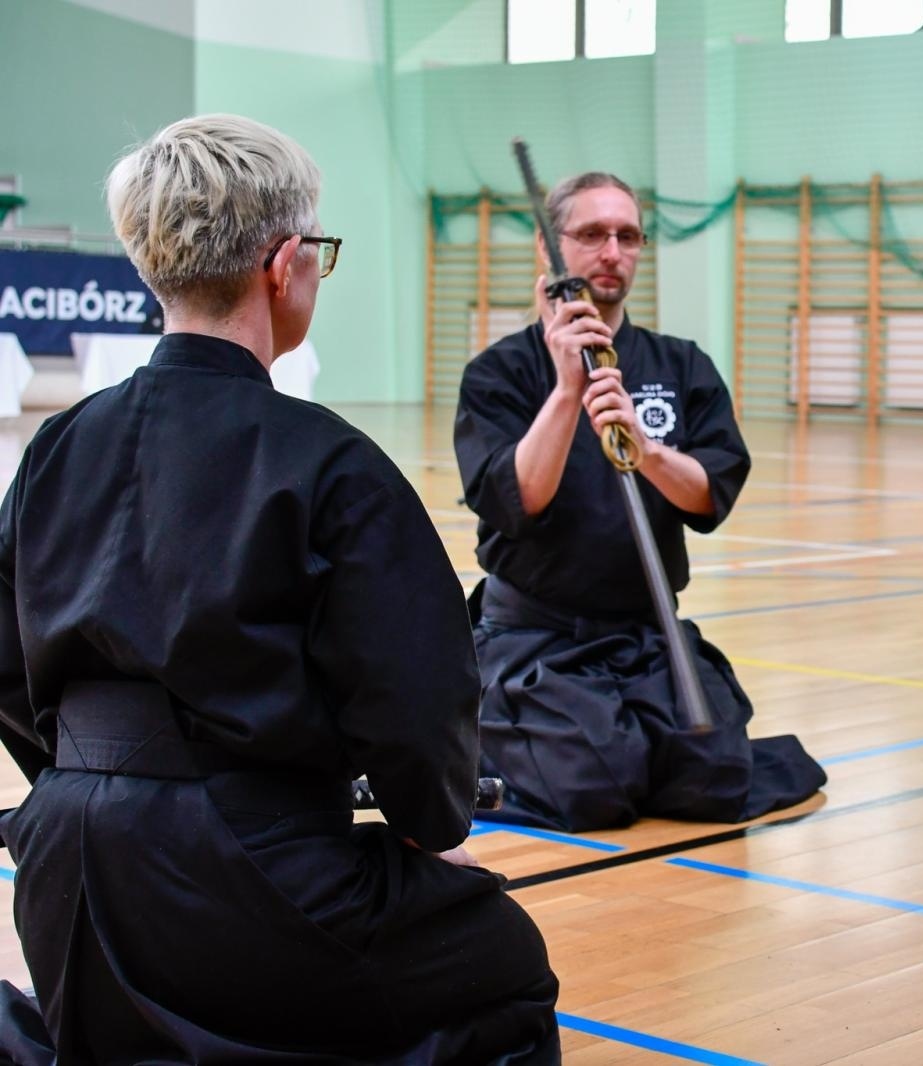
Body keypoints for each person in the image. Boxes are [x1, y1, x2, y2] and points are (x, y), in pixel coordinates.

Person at [0, 115, 560, 1062]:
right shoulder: (328, 462)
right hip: (254, 870)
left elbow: (6, 670)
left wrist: (86, 785)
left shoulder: (55, 447)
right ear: (283, 263)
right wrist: (432, 829)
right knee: (505, 963)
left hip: (63, 871)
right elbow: (416, 698)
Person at [453, 171, 826, 833]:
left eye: (627, 236)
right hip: (538, 639)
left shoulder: (680, 365)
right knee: (594, 789)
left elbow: (709, 496)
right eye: (592, 234)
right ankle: (471, 751)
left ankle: (616, 740)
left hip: (645, 633)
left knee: (716, 779)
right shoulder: (499, 373)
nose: (612, 251)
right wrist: (568, 393)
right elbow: (517, 500)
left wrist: (645, 450)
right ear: (549, 247)